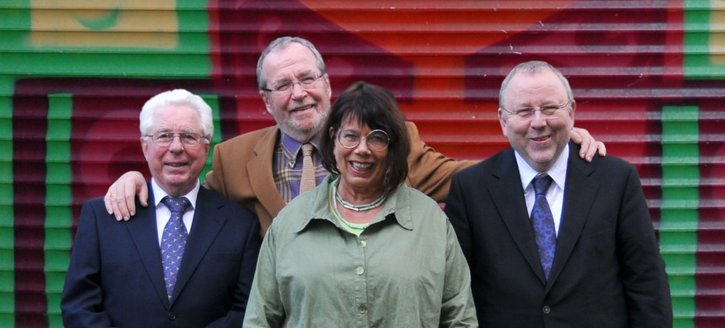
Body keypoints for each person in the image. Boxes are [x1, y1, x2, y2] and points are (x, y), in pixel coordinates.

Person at [103, 36, 606, 235]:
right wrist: (136, 179)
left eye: (307, 79)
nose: (298, 94)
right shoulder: (234, 157)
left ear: (327, 84)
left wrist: (548, 143)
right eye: (282, 85)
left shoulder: (388, 140)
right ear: (265, 100)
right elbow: (189, 202)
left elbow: (474, 179)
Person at [238, 81, 481, 328]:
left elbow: (458, 325)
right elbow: (260, 327)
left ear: (395, 147)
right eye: (350, 135)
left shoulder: (430, 223)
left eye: (378, 137)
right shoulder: (291, 224)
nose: (362, 149)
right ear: (332, 140)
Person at [444, 60, 672, 328]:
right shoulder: (472, 190)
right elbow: (457, 301)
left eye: (550, 108)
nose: (538, 123)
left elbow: (648, 289)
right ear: (502, 120)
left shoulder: (615, 179)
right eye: (524, 111)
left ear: (572, 111)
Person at [61, 89, 261, 328]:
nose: (176, 148)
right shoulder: (103, 215)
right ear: (144, 144)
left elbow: (247, 311)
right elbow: (79, 307)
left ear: (206, 146)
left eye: (188, 137)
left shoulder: (239, 223)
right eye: (164, 136)